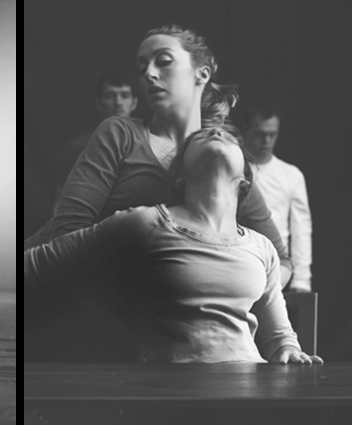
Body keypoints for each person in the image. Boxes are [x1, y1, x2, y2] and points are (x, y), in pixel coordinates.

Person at [23, 24, 292, 362]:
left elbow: (280, 262)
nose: (149, 74)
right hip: (53, 294)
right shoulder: (119, 133)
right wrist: (142, 316)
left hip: (150, 332)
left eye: (163, 61)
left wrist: (225, 294)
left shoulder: (225, 157)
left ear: (202, 73)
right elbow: (66, 234)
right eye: (142, 68)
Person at [25, 127, 322, 364]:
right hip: (167, 392)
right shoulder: (145, 223)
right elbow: (43, 261)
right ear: (180, 178)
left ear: (245, 182)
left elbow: (280, 338)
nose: (216, 133)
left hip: (248, 387)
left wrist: (289, 352)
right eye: (201, 137)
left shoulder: (262, 247)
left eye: (229, 137)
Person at [236, 100, 313, 293]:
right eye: (260, 134)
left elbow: (301, 229)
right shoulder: (234, 169)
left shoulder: (291, 175)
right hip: (239, 265)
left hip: (279, 270)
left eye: (272, 135)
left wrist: (302, 280)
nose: (266, 141)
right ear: (247, 130)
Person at [53, 71, 139, 206]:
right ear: (99, 103)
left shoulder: (148, 146)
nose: (118, 102)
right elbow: (61, 204)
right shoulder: (78, 148)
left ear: (134, 103)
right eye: (110, 96)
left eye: (125, 95)